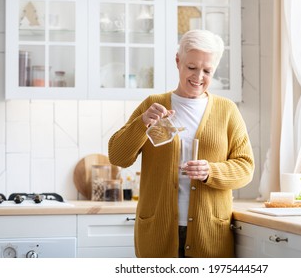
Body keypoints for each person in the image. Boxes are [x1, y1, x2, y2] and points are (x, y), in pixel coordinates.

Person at [108, 29, 254, 258]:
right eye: (192, 67)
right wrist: (142, 123)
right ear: (178, 61)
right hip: (157, 230)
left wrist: (211, 171)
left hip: (210, 233)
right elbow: (118, 157)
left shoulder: (227, 111)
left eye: (207, 70)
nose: (199, 77)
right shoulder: (153, 104)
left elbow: (245, 167)